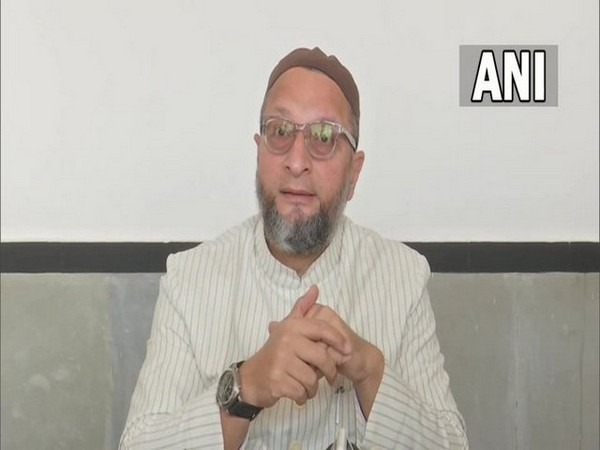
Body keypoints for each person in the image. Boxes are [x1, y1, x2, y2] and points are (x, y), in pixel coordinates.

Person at [120, 47, 468, 449]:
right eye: (281, 132)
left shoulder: (402, 277)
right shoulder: (190, 279)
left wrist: (371, 372)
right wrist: (246, 386)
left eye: (324, 137)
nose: (297, 161)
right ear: (259, 153)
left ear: (354, 174)